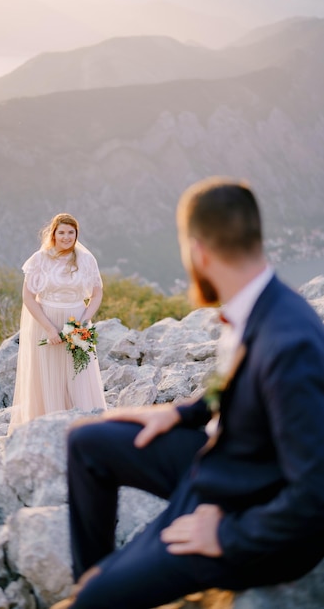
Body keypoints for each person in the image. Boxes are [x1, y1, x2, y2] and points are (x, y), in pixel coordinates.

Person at [52, 177, 324, 609]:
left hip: (251, 519)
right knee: (87, 441)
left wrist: (224, 534)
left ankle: (99, 595)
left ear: (197, 252)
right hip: (224, 463)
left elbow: (315, 496)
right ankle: (101, 582)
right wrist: (178, 415)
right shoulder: (259, 303)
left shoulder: (289, 341)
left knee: (92, 601)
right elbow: (240, 389)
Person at [8, 213, 106, 434]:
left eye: (71, 232)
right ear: (53, 234)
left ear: (76, 234)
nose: (66, 237)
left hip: (77, 322)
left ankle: (84, 430)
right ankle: (46, 429)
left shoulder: (86, 259)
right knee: (48, 375)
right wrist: (49, 329)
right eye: (61, 232)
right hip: (46, 323)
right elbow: (28, 298)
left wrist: (83, 322)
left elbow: (97, 294)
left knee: (79, 374)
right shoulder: (39, 260)